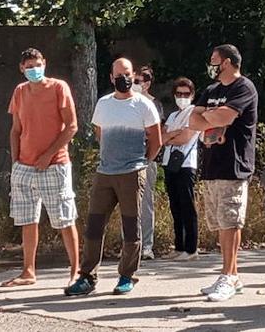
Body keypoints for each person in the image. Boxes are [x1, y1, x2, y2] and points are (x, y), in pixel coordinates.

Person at [65, 58, 162, 297]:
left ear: (133, 74)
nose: (123, 78)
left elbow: (156, 140)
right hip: (105, 173)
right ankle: (87, 277)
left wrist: (142, 162)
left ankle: (127, 276)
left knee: (131, 227)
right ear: (110, 77)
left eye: (127, 73)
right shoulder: (103, 104)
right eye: (118, 74)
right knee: (94, 226)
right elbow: (100, 133)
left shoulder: (143, 105)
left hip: (132, 172)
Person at [187, 44, 258, 303]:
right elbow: (193, 121)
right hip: (212, 165)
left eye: (214, 60)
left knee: (231, 221)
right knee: (219, 222)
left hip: (233, 164)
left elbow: (224, 118)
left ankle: (228, 275)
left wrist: (210, 116)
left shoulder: (243, 87)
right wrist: (210, 116)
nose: (211, 64)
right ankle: (232, 275)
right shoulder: (211, 90)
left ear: (226, 62)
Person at [4, 47, 80, 287]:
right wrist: (16, 160)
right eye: (28, 66)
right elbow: (16, 129)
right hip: (24, 166)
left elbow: (71, 126)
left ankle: (76, 271)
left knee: (64, 219)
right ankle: (28, 271)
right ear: (21, 68)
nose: (33, 70)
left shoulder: (59, 87)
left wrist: (48, 154)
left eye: (36, 65)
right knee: (27, 219)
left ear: (44, 63)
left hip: (55, 164)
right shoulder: (19, 91)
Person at [161, 77, 200, 260]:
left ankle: (191, 249)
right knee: (175, 206)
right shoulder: (172, 116)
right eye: (179, 94)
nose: (182, 97)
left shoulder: (194, 114)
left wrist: (171, 136)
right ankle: (179, 246)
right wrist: (171, 135)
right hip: (170, 163)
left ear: (192, 95)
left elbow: (185, 137)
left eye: (186, 94)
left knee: (187, 205)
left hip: (186, 164)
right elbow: (161, 138)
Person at [133, 64, 158, 260]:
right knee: (129, 205)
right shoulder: (127, 102)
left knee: (146, 203)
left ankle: (147, 246)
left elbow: (156, 136)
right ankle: (131, 245)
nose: (133, 85)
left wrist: (148, 158)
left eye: (137, 82)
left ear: (147, 84)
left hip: (147, 159)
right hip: (128, 160)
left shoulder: (153, 104)